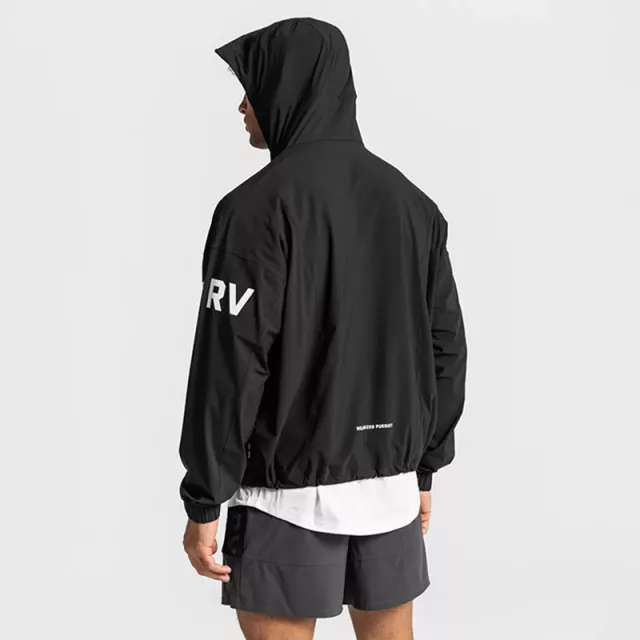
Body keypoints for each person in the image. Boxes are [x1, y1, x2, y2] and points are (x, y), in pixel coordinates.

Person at [179, 16, 467, 640]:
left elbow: (230, 365)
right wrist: (424, 468)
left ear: (288, 88)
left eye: (252, 87)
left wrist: (203, 497)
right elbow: (445, 348)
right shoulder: (414, 206)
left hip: (283, 498)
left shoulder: (253, 209)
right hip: (391, 491)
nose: (242, 105)